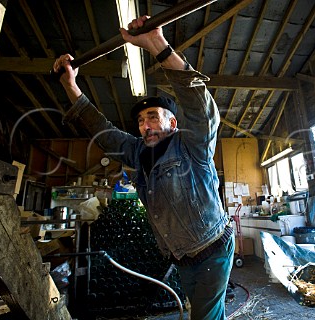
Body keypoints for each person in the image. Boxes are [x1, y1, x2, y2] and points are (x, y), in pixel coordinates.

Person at [53, 15, 234, 320]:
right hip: (181, 256)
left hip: (212, 249)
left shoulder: (192, 145)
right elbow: (101, 129)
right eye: (140, 121)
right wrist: (71, 86)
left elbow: (199, 106)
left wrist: (158, 46)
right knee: (206, 313)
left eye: (152, 117)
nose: (144, 125)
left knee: (204, 316)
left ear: (172, 123)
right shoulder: (137, 153)